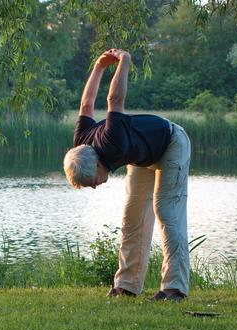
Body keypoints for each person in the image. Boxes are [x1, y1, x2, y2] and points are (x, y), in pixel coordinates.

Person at [64, 49, 191, 301]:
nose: (95, 187)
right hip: (142, 155)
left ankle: (174, 288)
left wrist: (125, 61)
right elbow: (86, 104)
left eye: (92, 182)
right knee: (132, 216)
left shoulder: (112, 142)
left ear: (98, 164)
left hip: (171, 143)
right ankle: (127, 285)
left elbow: (114, 99)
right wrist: (98, 67)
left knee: (166, 211)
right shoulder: (81, 143)